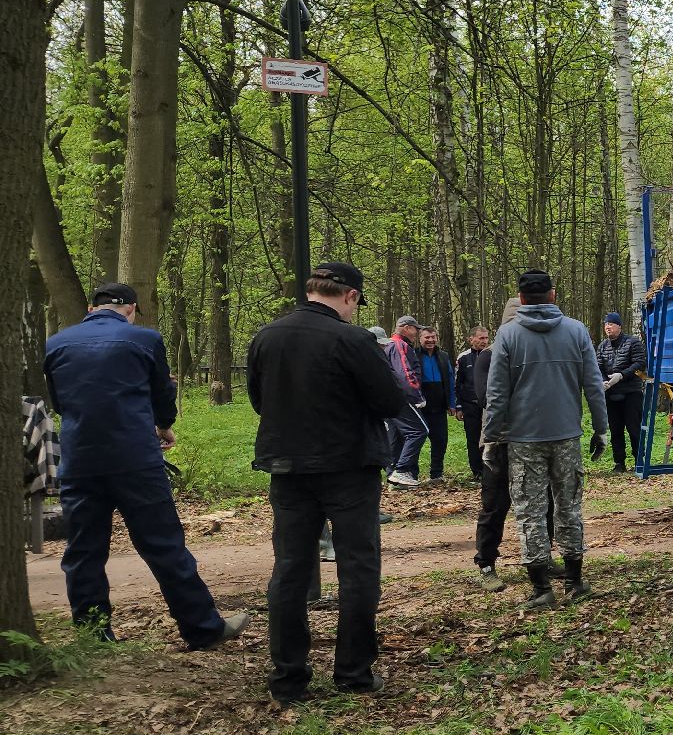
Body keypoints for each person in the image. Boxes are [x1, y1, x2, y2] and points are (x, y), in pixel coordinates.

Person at [42, 282, 249, 649]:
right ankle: (202, 628)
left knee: (83, 549)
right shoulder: (144, 340)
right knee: (163, 545)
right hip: (135, 458)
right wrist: (164, 424)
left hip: (79, 458)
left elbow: (60, 402)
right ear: (132, 309)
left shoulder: (57, 343)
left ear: (91, 309)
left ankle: (94, 637)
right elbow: (161, 392)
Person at [248, 263, 408, 703]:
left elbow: (259, 399)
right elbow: (390, 400)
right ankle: (354, 671)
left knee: (290, 569)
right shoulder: (352, 340)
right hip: (348, 467)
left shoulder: (268, 336)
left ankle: (288, 677)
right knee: (357, 567)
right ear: (350, 296)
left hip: (287, 467)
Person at [485, 270, 608, 609]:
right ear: (553, 295)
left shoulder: (507, 335)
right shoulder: (576, 330)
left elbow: (497, 394)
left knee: (530, 511)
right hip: (567, 436)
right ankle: (575, 580)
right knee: (569, 507)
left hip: (524, 440)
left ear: (521, 298)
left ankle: (541, 589)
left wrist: (491, 438)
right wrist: (601, 428)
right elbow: (593, 385)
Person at [471, 302, 517, 591]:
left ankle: (541, 558)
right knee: (495, 505)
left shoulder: (531, 353)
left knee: (542, 504)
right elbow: (486, 397)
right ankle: (486, 562)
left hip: (532, 439)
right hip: (497, 441)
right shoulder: (487, 357)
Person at [596, 311, 645, 472]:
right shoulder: (603, 346)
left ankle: (640, 461)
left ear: (619, 326)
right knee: (616, 429)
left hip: (631, 392)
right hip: (611, 393)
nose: (607, 327)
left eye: (611, 324)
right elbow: (598, 366)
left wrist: (622, 375)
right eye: (605, 324)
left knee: (634, 428)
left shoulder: (633, 342)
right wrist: (603, 380)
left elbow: (640, 363)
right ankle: (619, 463)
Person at [383, 315, 429, 487]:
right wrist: (417, 395)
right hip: (402, 397)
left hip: (391, 398)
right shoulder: (399, 345)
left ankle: (395, 477)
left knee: (396, 436)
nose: (417, 333)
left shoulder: (390, 345)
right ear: (407, 327)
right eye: (416, 329)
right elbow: (405, 373)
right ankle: (401, 470)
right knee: (419, 431)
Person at [453, 325, 491, 479]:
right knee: (473, 438)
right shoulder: (463, 358)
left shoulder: (492, 354)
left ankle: (490, 469)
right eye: (481, 338)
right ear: (471, 339)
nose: (484, 341)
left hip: (489, 404)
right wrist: (458, 405)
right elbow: (457, 383)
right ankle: (477, 471)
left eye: (486, 338)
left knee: (490, 438)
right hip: (470, 405)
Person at [417, 327, 454, 481]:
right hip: (420, 405)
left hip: (439, 405)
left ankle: (436, 473)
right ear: (420, 339)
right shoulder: (413, 355)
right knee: (416, 439)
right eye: (427, 337)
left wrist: (452, 403)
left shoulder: (443, 356)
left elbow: (451, 381)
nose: (430, 340)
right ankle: (412, 473)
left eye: (433, 337)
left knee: (440, 440)